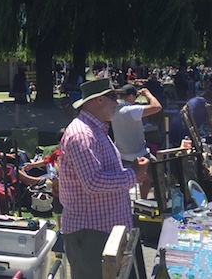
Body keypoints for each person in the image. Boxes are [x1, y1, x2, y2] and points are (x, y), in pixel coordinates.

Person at [60, 78, 149, 279]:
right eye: (112, 97)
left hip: (102, 229)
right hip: (90, 232)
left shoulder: (95, 130)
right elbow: (93, 182)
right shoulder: (82, 135)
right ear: (98, 100)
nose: (117, 103)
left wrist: (132, 173)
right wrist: (133, 174)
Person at [110, 84, 162, 199]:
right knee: (159, 175)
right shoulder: (131, 110)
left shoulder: (113, 110)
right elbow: (157, 107)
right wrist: (148, 94)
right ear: (130, 96)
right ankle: (145, 201)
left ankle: (131, 204)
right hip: (140, 154)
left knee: (126, 184)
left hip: (122, 156)